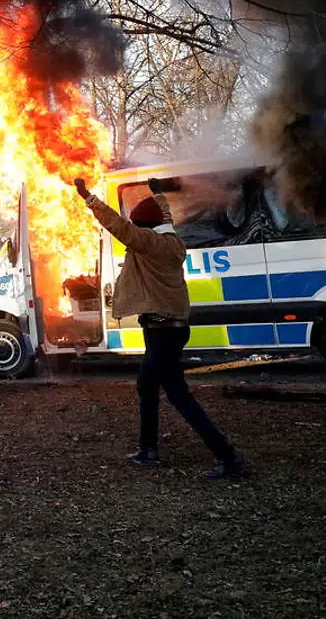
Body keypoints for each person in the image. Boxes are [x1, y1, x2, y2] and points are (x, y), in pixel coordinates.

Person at [75, 177, 247, 479]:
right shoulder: (171, 239)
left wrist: (89, 198)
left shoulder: (150, 244)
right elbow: (164, 215)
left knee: (179, 395)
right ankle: (148, 449)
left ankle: (227, 456)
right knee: (146, 385)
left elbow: (118, 226)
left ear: (146, 229)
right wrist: (158, 194)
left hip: (162, 331)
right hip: (170, 328)